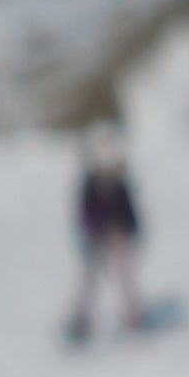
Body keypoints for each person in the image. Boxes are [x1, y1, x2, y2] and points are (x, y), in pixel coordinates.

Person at [65, 129, 143, 347]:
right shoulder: (89, 187)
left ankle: (132, 317)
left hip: (118, 242)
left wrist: (125, 230)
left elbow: (131, 216)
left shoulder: (121, 187)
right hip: (94, 241)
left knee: (124, 278)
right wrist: (98, 230)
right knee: (89, 281)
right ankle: (81, 319)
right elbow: (85, 216)